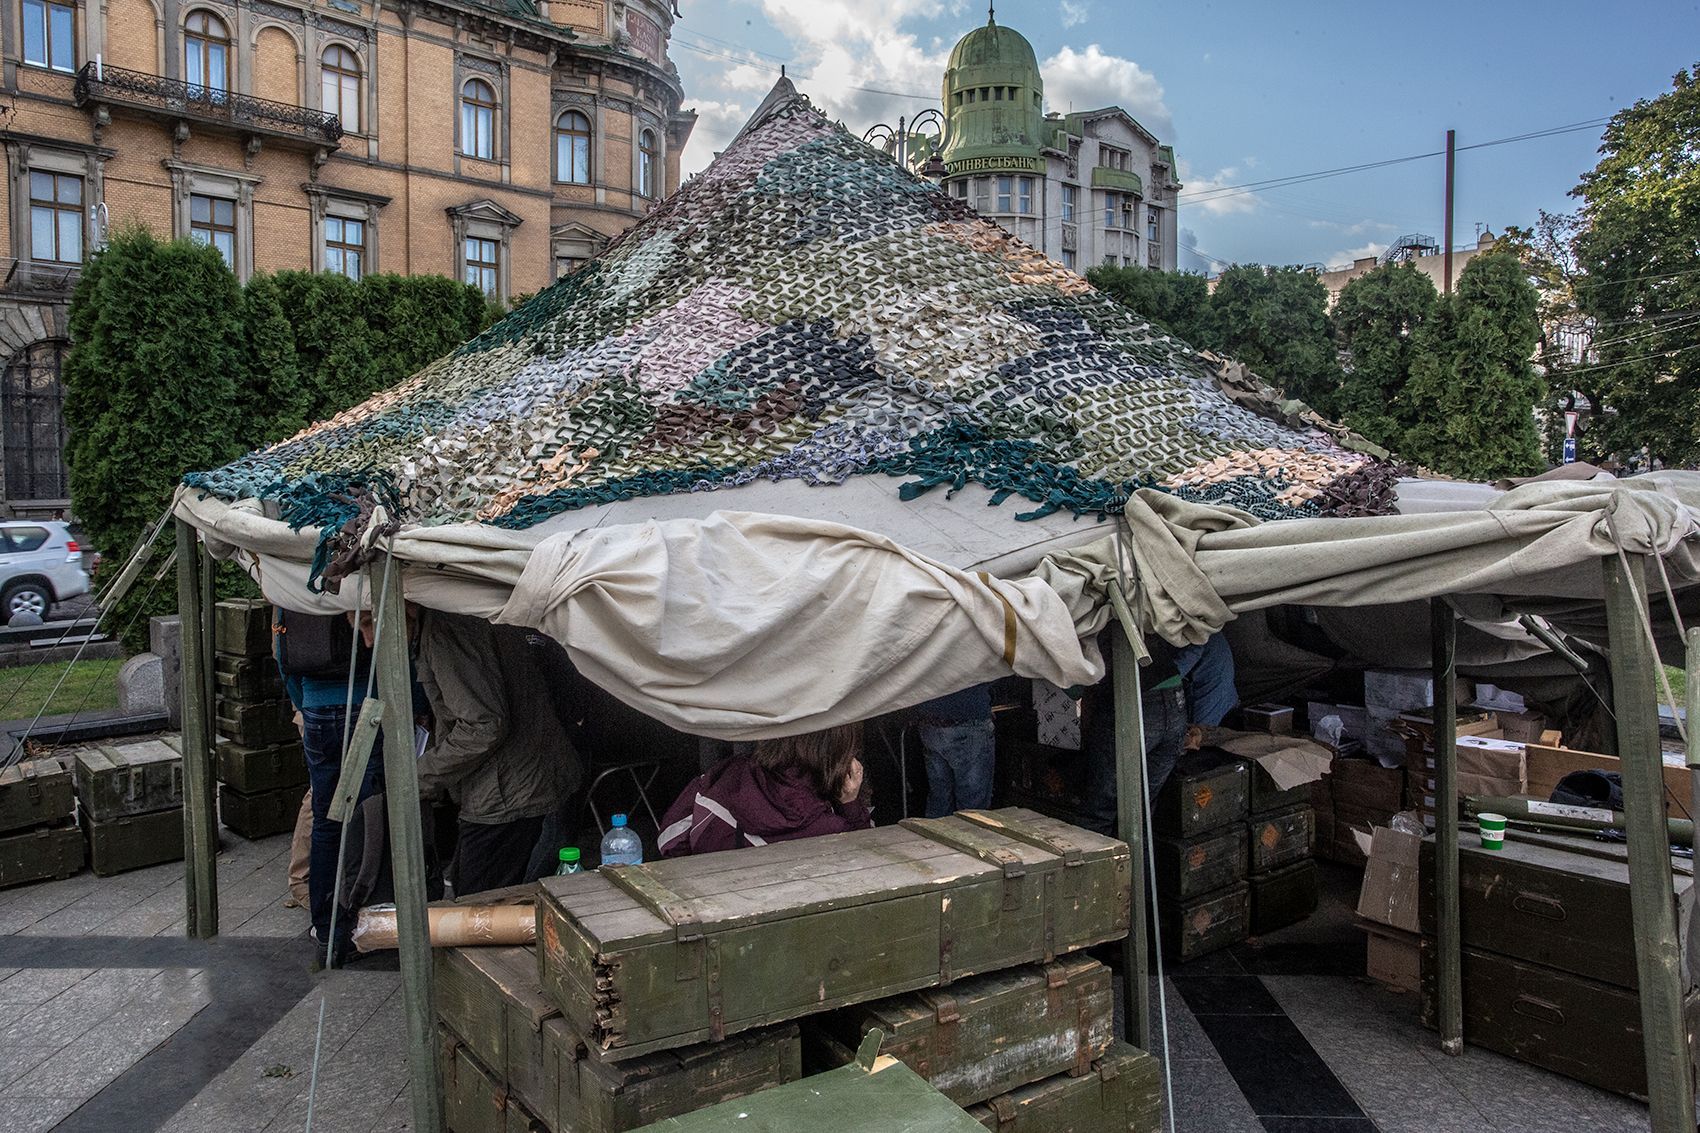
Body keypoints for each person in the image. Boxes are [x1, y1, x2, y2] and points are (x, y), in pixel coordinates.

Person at [413, 608, 582, 896]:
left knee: (480, 906)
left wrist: (419, 776)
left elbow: (484, 724)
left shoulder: (448, 627)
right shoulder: (461, 616)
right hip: (522, 777)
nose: (367, 640)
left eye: (370, 623)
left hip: (507, 789)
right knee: (490, 894)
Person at [278, 612, 381, 964]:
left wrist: (306, 702)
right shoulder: (361, 578)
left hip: (317, 707)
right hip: (366, 704)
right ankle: (368, 909)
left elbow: (282, 656)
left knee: (326, 819)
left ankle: (326, 928)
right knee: (369, 811)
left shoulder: (291, 586)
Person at [1081, 633, 1237, 837]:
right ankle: (1140, 868)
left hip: (1138, 696)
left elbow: (1073, 685)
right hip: (1172, 697)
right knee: (1141, 811)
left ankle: (1099, 867)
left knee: (1100, 811)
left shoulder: (1086, 621)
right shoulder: (1138, 615)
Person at [657, 724, 872, 857]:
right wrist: (851, 805)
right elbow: (869, 863)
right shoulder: (833, 827)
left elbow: (669, 842)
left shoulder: (725, 777)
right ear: (842, 754)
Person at [917, 683, 996, 818]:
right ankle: (969, 837)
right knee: (972, 806)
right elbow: (997, 669)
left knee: (940, 798)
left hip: (931, 721)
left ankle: (935, 835)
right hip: (969, 717)